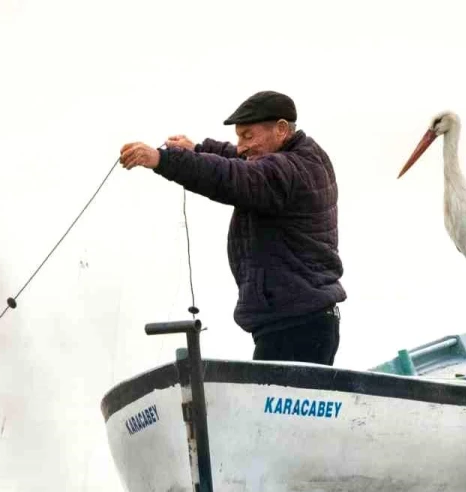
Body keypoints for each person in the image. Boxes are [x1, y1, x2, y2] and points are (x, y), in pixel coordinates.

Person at [119, 90, 346, 366]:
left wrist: (161, 160)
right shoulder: (301, 156)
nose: (240, 145)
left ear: (281, 129)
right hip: (299, 321)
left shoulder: (288, 170)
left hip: (296, 328)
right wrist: (199, 150)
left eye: (247, 136)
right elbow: (239, 160)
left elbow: (231, 176)